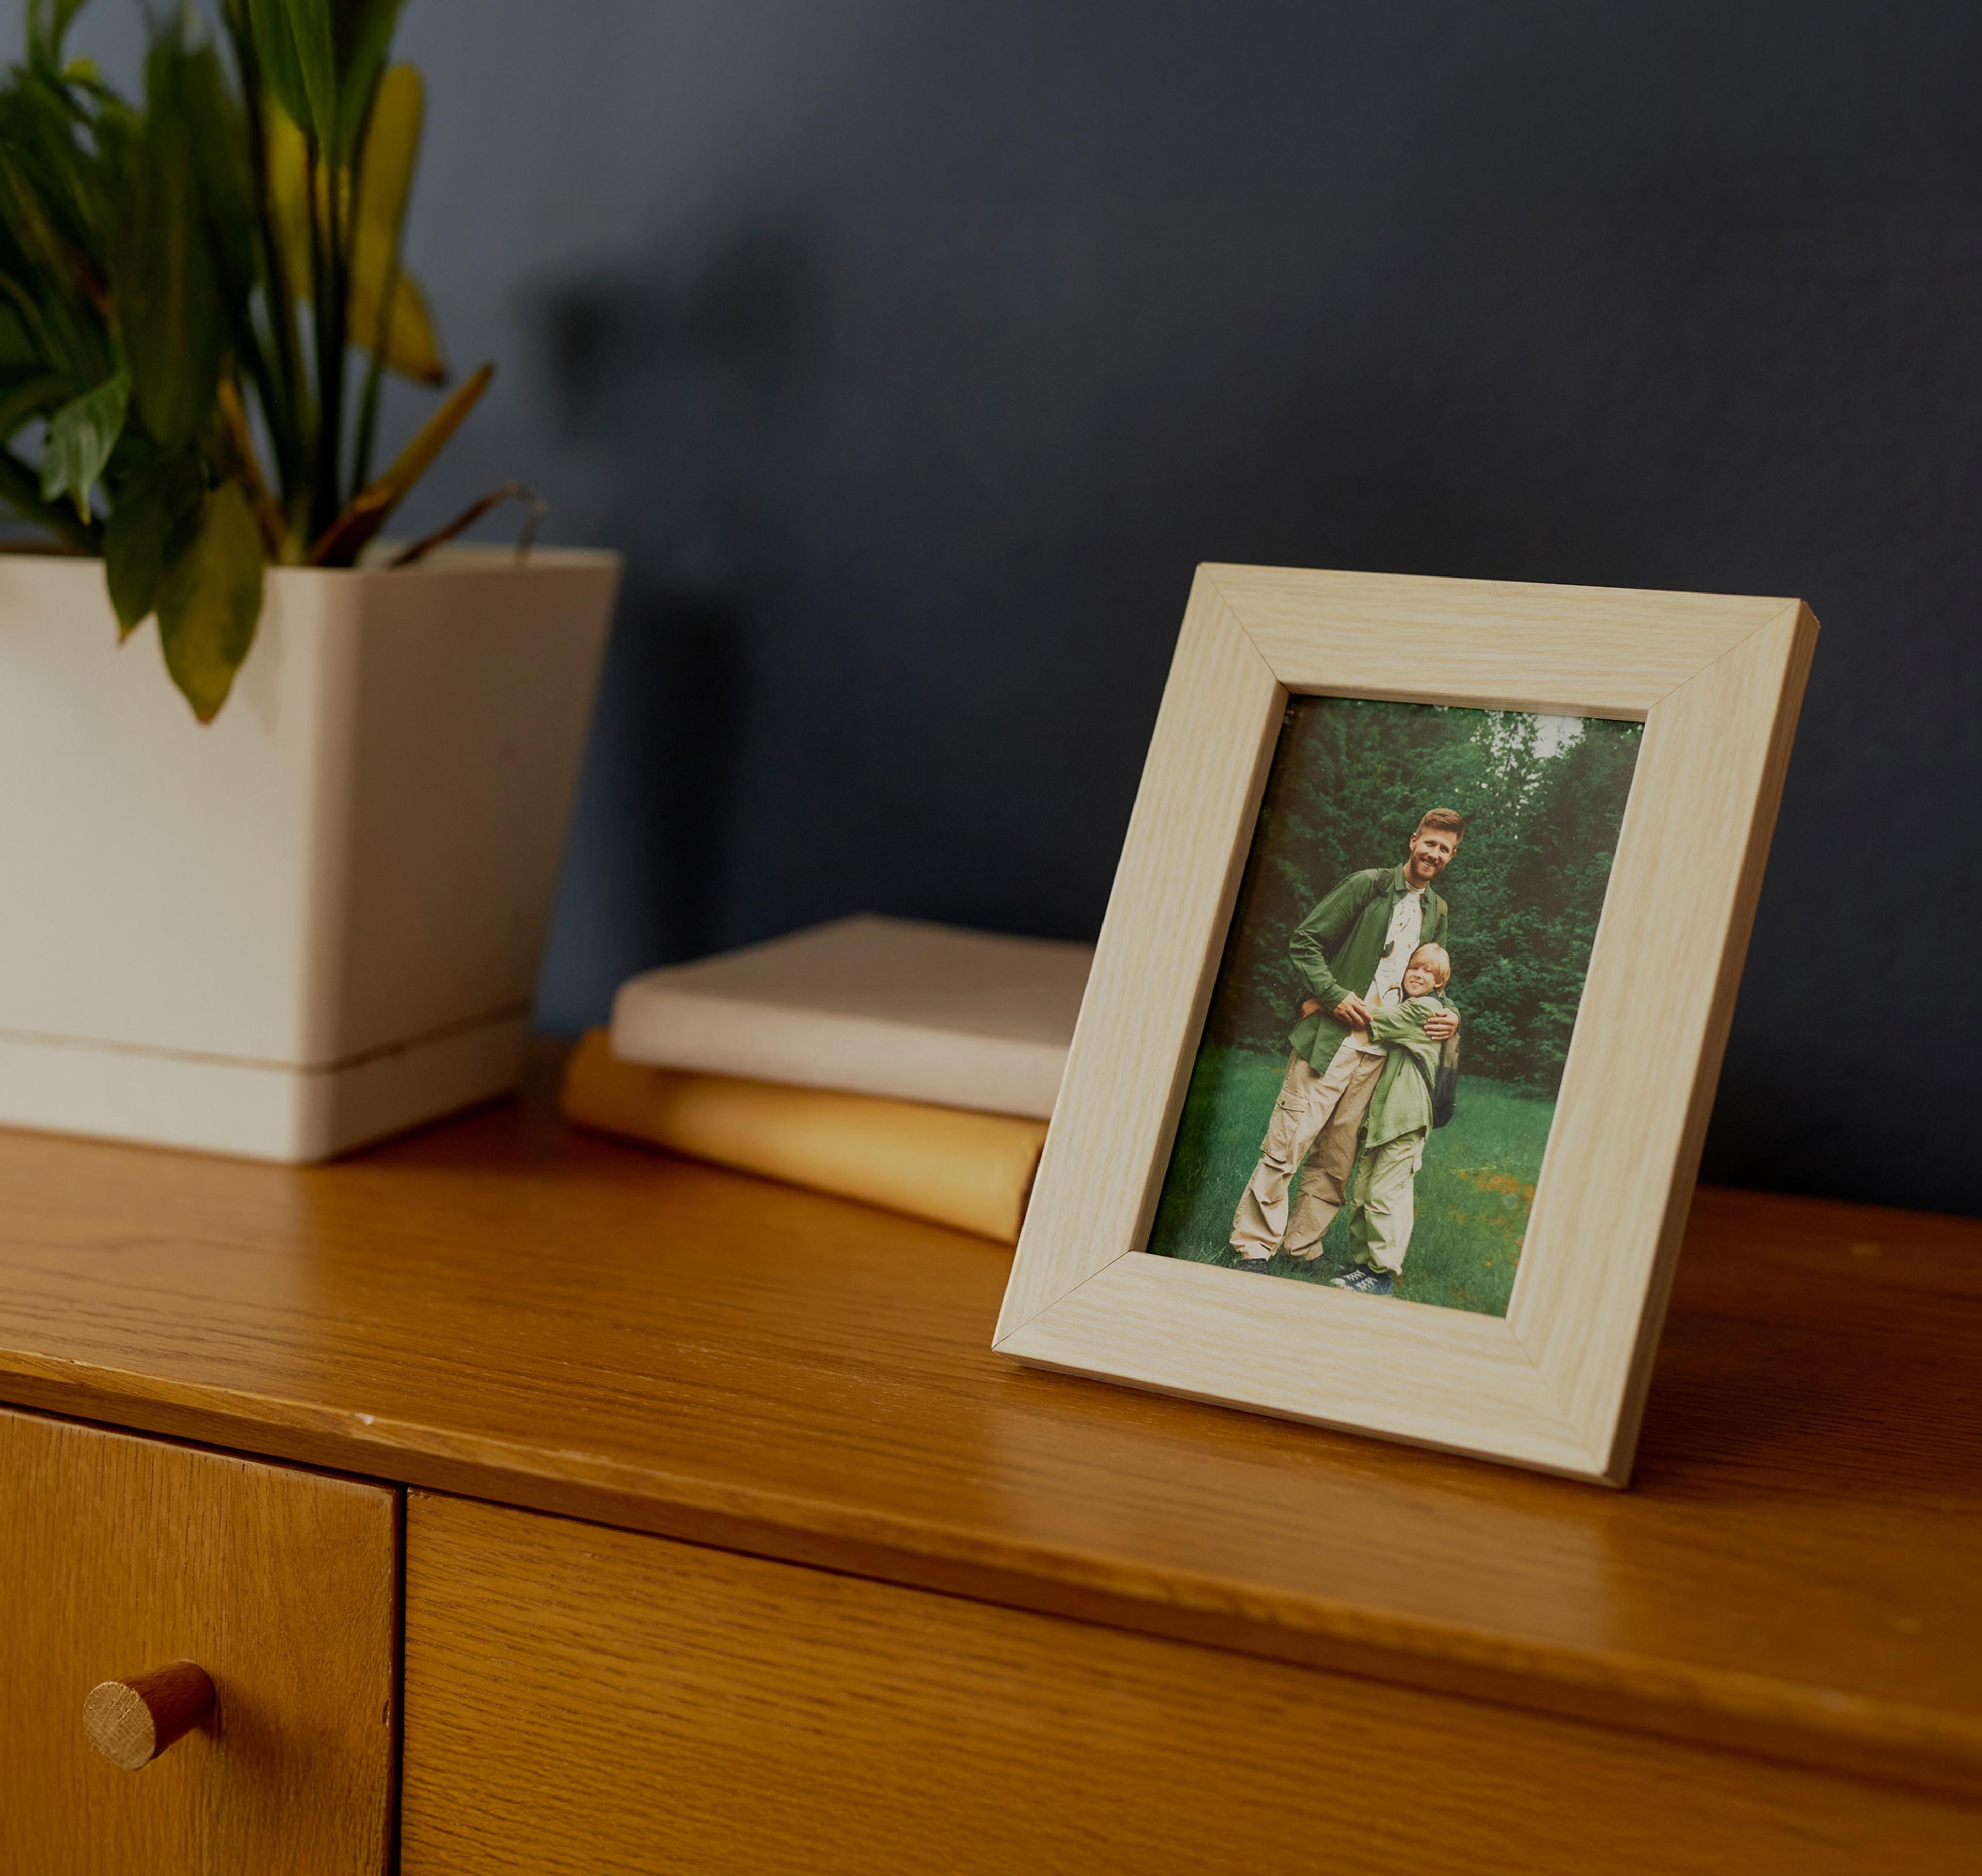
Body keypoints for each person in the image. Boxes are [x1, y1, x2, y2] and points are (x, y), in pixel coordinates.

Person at [1228, 809, 1464, 1269]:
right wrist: (1332, 995)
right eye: (1429, 843)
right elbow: (1305, 941)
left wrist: (1451, 1014)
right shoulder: (1368, 885)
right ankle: (1255, 1244)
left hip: (1379, 1055)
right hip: (1331, 1041)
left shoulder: (1437, 911)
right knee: (1288, 1144)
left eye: (1444, 848)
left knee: (1337, 1159)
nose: (1434, 853)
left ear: (1452, 856)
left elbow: (1435, 975)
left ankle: (1303, 1246)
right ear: (1413, 840)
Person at [1327, 942, 1453, 1296]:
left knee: (1383, 1196)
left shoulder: (1425, 1009)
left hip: (1406, 1119)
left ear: (1439, 984)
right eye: (1415, 967)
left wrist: (1324, 1002)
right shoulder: (1413, 1004)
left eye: (1429, 972)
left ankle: (1381, 1274)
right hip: (1384, 1119)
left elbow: (1374, 1018)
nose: (1419, 975)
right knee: (1363, 1195)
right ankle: (1363, 1265)